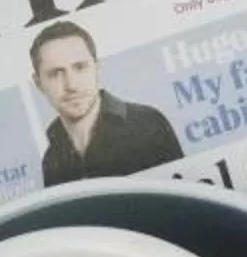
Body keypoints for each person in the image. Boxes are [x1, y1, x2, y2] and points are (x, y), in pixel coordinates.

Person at [30, 20, 183, 185]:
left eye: (80, 67)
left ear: (97, 68)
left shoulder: (148, 124)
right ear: (39, 83)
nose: (71, 85)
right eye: (55, 74)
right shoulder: (52, 160)